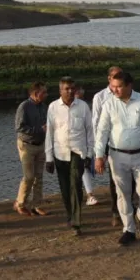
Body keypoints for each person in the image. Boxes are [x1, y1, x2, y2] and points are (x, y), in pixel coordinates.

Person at [95, 72, 140, 245]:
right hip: (117, 156)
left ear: (129, 85)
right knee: (122, 194)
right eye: (113, 86)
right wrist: (99, 155)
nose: (114, 89)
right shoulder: (108, 104)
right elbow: (102, 131)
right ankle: (129, 229)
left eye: (118, 86)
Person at [45, 76, 94, 236]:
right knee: (65, 188)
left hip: (77, 152)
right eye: (67, 88)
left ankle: (76, 222)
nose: (71, 91)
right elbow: (49, 134)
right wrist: (49, 158)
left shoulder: (83, 107)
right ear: (60, 90)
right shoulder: (53, 107)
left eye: (73, 88)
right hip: (60, 153)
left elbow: (90, 131)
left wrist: (89, 153)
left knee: (75, 185)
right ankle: (70, 214)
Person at [93, 66, 125, 224]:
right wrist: (99, 151)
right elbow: (96, 124)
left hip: (126, 141)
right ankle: (116, 211)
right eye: (115, 77)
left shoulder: (127, 94)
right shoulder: (100, 97)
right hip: (108, 142)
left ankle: (127, 205)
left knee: (130, 177)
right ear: (109, 79)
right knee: (115, 178)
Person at [14, 81, 49, 217]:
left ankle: (37, 205)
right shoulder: (24, 107)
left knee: (39, 176)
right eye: (44, 92)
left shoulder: (43, 107)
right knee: (29, 176)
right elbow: (19, 127)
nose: (46, 94)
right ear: (36, 93)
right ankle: (20, 203)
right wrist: (39, 129)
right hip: (26, 145)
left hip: (40, 144)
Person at [73, 84, 98, 206]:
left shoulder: (85, 107)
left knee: (84, 168)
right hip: (71, 144)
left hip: (84, 143)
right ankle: (82, 194)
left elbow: (90, 126)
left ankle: (89, 194)